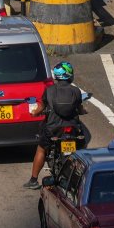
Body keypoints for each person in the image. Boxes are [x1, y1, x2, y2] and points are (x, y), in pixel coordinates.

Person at [24, 61, 90, 189]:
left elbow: (41, 107)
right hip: (72, 128)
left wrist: (34, 113)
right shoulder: (76, 91)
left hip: (53, 129)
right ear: (70, 75)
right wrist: (83, 111)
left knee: (41, 149)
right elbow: (80, 109)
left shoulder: (49, 90)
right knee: (81, 148)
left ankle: (33, 180)